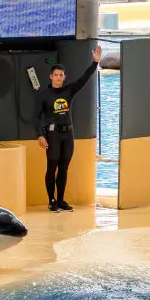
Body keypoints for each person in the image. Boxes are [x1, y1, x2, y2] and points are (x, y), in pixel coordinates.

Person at [35, 45, 102, 212]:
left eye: (61, 75)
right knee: (52, 166)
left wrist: (95, 63)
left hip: (68, 134)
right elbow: (36, 116)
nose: (58, 77)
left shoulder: (68, 91)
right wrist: (40, 135)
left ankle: (61, 200)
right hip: (53, 135)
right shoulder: (44, 94)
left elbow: (84, 79)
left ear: (64, 77)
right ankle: (51, 200)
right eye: (55, 75)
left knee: (64, 168)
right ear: (51, 76)